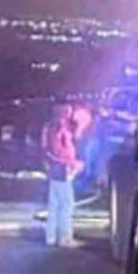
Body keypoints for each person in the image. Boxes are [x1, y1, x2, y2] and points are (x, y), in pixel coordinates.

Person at [42, 104, 83, 247]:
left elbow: (46, 149)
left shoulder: (48, 127)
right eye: (69, 112)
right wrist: (73, 164)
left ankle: (51, 237)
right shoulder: (60, 129)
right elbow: (61, 151)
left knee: (54, 205)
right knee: (66, 204)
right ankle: (64, 238)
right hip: (62, 169)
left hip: (54, 169)